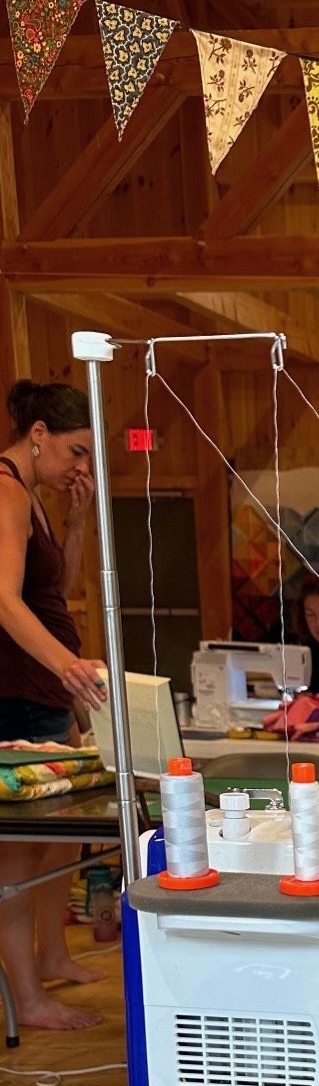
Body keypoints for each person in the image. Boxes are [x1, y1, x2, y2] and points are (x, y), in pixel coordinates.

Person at [0, 380, 104, 1030]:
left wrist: (77, 521)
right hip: (18, 690)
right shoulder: (6, 492)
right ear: (38, 434)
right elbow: (4, 601)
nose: (81, 467)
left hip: (46, 688)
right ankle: (28, 996)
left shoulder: (35, 497)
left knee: (58, 843)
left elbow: (55, 588)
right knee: (19, 855)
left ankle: (53, 955)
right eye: (76, 452)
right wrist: (65, 663)